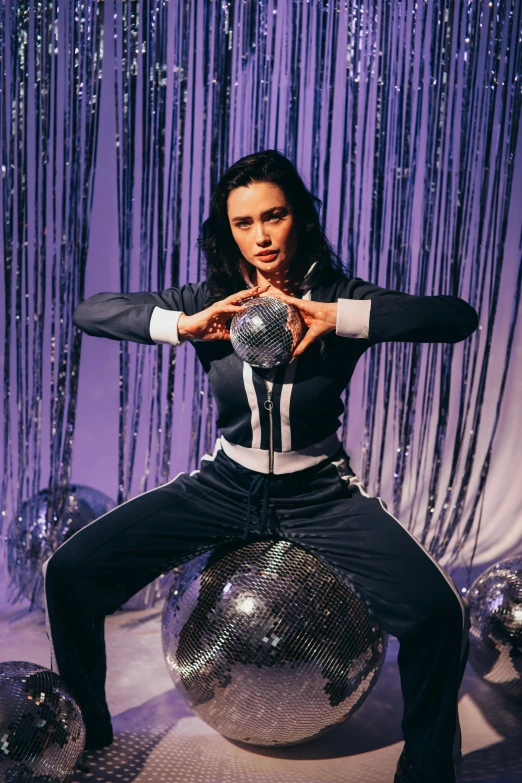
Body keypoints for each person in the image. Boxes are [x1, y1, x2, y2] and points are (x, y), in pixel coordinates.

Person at [42, 149, 478, 783]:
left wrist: (339, 318)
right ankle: (89, 727)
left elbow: (455, 317)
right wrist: (182, 324)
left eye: (273, 216)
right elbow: (91, 312)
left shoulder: (338, 294)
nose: (262, 236)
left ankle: (428, 768)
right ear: (229, 232)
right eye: (244, 224)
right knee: (70, 573)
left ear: (298, 217)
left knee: (438, 613)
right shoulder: (212, 300)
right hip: (224, 485)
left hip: (319, 492)